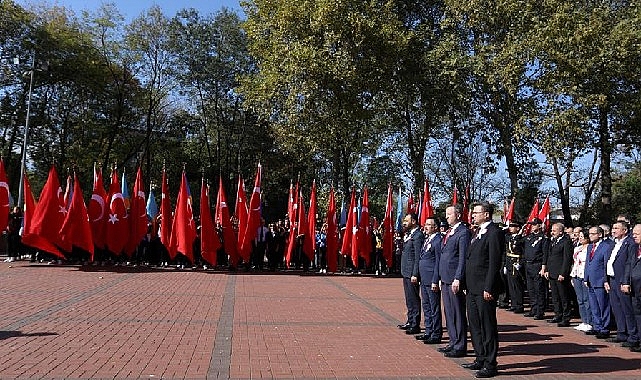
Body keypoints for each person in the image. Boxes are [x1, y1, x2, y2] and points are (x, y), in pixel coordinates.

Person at [461, 201, 504, 378]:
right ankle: (480, 357)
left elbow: (494, 263)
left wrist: (489, 287)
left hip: (484, 289)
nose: (473, 215)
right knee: (475, 325)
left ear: (486, 214)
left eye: (476, 212)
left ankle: (490, 363)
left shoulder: (494, 233)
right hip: (472, 288)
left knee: (487, 326)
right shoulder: (477, 232)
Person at [438, 204, 470, 358]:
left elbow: (463, 257)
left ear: (457, 215)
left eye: (449, 214)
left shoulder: (463, 232)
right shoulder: (450, 232)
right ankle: (452, 342)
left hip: (453, 279)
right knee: (449, 312)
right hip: (445, 278)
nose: (446, 217)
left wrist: (458, 277)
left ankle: (460, 345)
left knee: (457, 312)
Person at [605, 221, 639, 346]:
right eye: (613, 228)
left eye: (616, 228)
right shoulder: (614, 244)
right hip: (612, 279)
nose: (613, 230)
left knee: (627, 309)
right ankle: (621, 333)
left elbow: (629, 263)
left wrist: (625, 281)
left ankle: (633, 335)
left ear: (624, 231)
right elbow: (608, 261)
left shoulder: (630, 244)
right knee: (617, 308)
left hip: (622, 280)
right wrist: (606, 279)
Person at [415, 216, 443, 344]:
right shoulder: (427, 239)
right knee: (426, 306)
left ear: (435, 227)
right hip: (424, 278)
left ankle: (436, 333)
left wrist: (435, 280)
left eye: (428, 224)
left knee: (434, 307)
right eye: (425, 224)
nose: (425, 227)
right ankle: (428, 330)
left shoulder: (438, 240)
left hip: (431, 278)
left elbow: (438, 261)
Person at [541, 222, 574, 327]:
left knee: (563, 296)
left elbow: (567, 259)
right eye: (552, 230)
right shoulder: (553, 241)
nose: (552, 233)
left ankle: (566, 317)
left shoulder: (566, 242)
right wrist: (547, 270)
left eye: (554, 231)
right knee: (555, 296)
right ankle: (557, 314)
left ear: (561, 231)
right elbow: (549, 256)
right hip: (552, 272)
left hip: (560, 273)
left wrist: (563, 273)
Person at [397, 213, 424, 335]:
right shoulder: (409, 234)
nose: (404, 223)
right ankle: (410, 320)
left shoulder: (418, 236)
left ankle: (415, 323)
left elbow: (418, 256)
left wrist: (415, 273)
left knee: (414, 298)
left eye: (406, 220)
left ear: (413, 221)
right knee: (409, 299)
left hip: (412, 272)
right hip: (406, 271)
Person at [584, 226, 612, 339]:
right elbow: (587, 263)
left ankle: (605, 328)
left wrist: (605, 280)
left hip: (600, 280)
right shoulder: (590, 246)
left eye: (593, 233)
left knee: (603, 306)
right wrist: (586, 278)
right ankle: (597, 326)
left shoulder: (606, 247)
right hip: (591, 280)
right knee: (594, 306)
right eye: (589, 233)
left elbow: (606, 264)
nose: (590, 236)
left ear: (600, 234)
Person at [523, 217, 548, 319]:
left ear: (539, 225)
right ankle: (533, 308)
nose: (532, 227)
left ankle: (540, 311)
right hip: (528, 265)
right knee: (531, 289)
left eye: (534, 224)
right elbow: (518, 241)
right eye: (531, 225)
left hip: (537, 265)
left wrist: (543, 267)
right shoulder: (529, 237)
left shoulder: (543, 238)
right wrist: (522, 230)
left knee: (539, 289)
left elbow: (545, 254)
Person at [622, 224, 641, 352]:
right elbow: (628, 265)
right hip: (634, 288)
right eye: (633, 233)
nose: (633, 235)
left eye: (637, 233)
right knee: (637, 314)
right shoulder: (634, 248)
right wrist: (625, 282)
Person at [570, 228, 593, 332]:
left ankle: (590, 322)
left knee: (587, 299)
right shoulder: (577, 248)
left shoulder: (590, 248)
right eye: (579, 236)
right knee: (580, 300)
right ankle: (584, 321)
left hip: (584, 275)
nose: (580, 238)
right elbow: (574, 262)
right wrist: (572, 276)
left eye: (582, 236)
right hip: (576, 274)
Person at [504, 220, 525, 313]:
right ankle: (513, 304)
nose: (510, 228)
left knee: (517, 285)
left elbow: (523, 252)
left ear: (518, 228)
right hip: (509, 262)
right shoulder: (508, 237)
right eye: (510, 226)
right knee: (510, 285)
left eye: (513, 226)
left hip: (516, 263)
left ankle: (519, 305)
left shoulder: (521, 239)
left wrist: (520, 263)